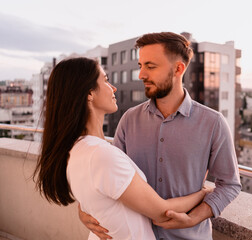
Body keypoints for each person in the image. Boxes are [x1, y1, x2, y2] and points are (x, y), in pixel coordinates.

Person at [80, 32, 242, 240]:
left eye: (150, 66)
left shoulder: (213, 123)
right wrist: (83, 208)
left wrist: (193, 218)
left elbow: (229, 184)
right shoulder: (129, 120)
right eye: (140, 66)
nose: (141, 75)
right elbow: (106, 176)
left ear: (178, 69)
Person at [33, 57, 212, 239]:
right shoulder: (101, 154)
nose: (113, 88)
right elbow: (162, 212)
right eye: (106, 80)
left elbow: (99, 194)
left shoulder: (76, 148)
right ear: (89, 94)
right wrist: (203, 193)